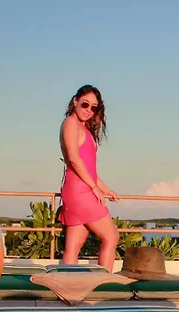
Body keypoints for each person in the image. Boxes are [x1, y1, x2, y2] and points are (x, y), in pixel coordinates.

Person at [58, 85, 120, 271]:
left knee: (74, 245)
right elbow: (74, 159)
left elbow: (89, 168)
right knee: (111, 236)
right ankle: (104, 281)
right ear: (75, 101)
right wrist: (94, 188)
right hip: (81, 190)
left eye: (94, 107)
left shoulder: (82, 127)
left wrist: (105, 189)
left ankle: (68, 283)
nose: (88, 110)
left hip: (79, 187)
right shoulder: (70, 123)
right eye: (85, 104)